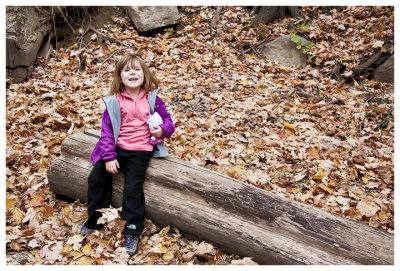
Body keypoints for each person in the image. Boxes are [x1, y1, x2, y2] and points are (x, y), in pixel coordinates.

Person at [79, 54, 175, 256]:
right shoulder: (114, 102)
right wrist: (109, 156)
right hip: (118, 148)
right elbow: (106, 132)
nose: (133, 73)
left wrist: (161, 131)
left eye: (137, 69)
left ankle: (132, 231)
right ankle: (96, 220)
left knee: (132, 189)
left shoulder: (153, 99)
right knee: (96, 178)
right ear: (119, 76)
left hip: (141, 151)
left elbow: (168, 122)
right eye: (127, 70)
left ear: (145, 74)